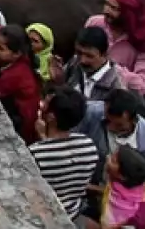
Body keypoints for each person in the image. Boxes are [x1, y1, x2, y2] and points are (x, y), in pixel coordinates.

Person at [32, 88, 104, 224]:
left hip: (47, 217)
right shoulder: (88, 146)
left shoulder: (35, 154)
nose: (42, 106)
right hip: (73, 213)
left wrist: (42, 139)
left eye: (45, 105)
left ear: (51, 117)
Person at [81, 89, 145, 195]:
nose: (110, 127)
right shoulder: (92, 112)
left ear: (134, 120)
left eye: (119, 125)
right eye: (107, 121)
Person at [85, 0, 145, 99]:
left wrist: (109, 69)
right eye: (106, 4)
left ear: (128, 14)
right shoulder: (94, 23)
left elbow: (143, 85)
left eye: (113, 8)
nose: (106, 10)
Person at [0, 24, 44, 143]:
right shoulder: (22, 62)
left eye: (0, 48)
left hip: (23, 127)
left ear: (17, 54)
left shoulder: (16, 74)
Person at [93, 147, 145, 229]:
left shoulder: (132, 218)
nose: (108, 158)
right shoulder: (140, 184)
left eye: (113, 161)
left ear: (122, 176)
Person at [66, 26, 125, 102]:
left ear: (105, 54)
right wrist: (57, 81)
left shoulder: (116, 87)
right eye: (79, 53)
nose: (82, 60)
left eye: (89, 56)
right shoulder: (74, 63)